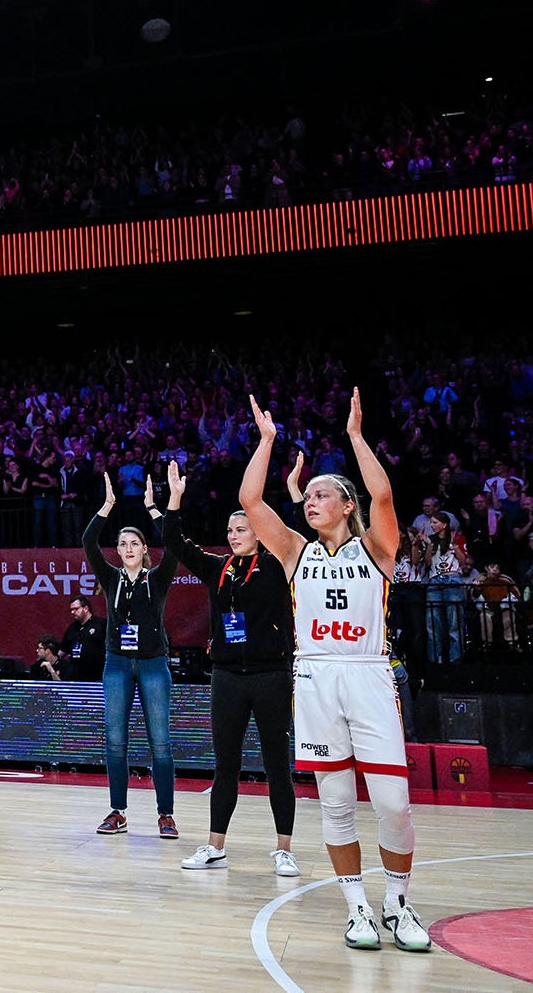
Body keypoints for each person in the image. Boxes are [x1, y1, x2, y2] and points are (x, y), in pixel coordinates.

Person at [241, 390, 431, 952]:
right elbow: (251, 498)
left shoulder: (377, 549)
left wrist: (354, 436)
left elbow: (384, 492)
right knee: (336, 801)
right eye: (309, 496)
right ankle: (357, 910)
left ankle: (398, 902)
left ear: (347, 505)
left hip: (369, 673)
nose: (311, 501)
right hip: (316, 677)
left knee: (393, 802)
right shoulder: (296, 552)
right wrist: (268, 440)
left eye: (323, 494)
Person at [154, 462, 299, 876]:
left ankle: (283, 848)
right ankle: (215, 845)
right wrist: (175, 498)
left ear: (259, 532)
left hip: (271, 674)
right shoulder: (219, 568)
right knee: (226, 765)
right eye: (231, 531)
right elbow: (174, 543)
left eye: (242, 529)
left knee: (276, 764)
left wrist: (290, 492)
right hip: (227, 678)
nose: (234, 536)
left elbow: (291, 538)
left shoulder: (275, 565)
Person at [84, 472, 181, 839]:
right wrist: (107, 507)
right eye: (122, 543)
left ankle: (166, 814)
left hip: (154, 663)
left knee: (160, 740)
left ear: (145, 550)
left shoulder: (157, 578)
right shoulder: (111, 578)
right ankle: (118, 812)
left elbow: (174, 543)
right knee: (115, 739)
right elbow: (88, 540)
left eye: (134, 543)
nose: (127, 548)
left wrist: (154, 508)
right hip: (118, 664)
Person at [62, 596, 107, 679]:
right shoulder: (72, 628)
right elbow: (63, 650)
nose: (72, 612)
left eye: (76, 609)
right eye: (71, 610)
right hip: (76, 677)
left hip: (97, 676)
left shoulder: (101, 625)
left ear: (86, 608)